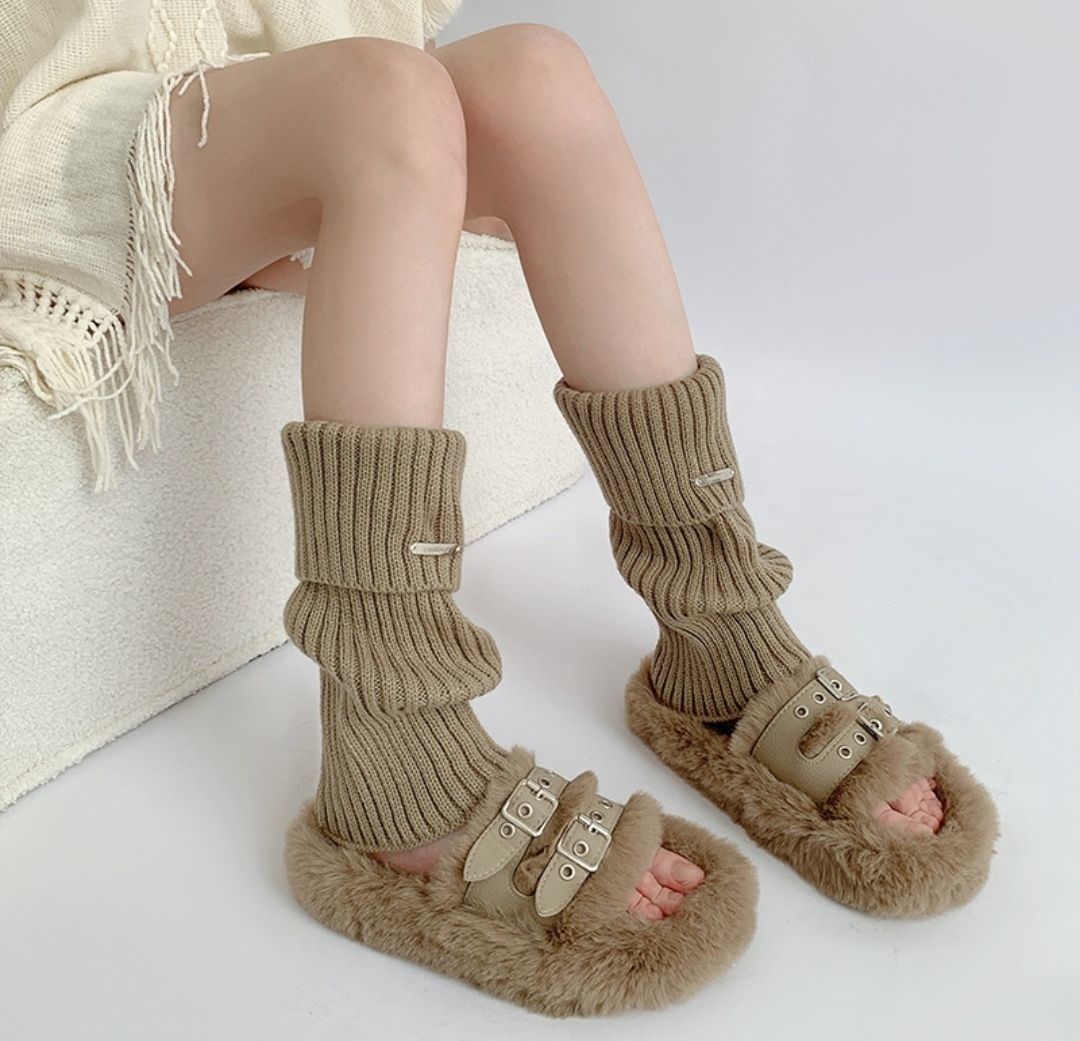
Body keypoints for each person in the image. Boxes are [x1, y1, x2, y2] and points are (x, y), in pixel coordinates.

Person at [0, 1, 998, 1016]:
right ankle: (393, 734)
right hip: (67, 114)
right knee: (379, 103)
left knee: (535, 74)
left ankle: (723, 620)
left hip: (239, 79)